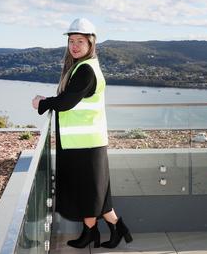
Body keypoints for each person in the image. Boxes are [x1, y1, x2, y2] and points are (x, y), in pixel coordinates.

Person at [32, 18, 132, 249]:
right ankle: (96, 233)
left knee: (91, 193)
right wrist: (49, 101)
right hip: (83, 143)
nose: (74, 46)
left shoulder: (86, 69)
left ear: (91, 43)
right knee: (92, 193)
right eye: (71, 41)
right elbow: (72, 99)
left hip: (85, 144)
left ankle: (111, 230)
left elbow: (67, 102)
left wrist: (42, 103)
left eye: (80, 41)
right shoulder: (84, 66)